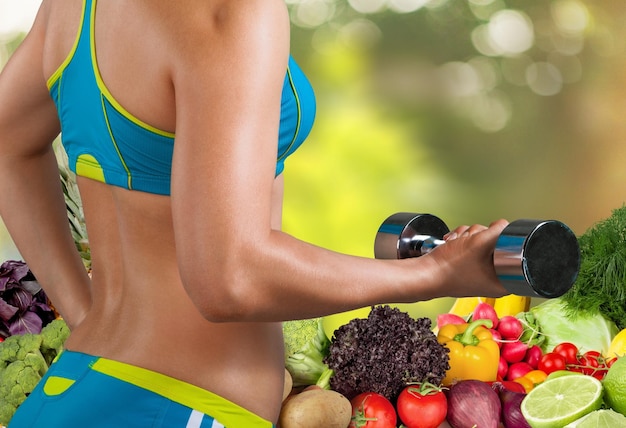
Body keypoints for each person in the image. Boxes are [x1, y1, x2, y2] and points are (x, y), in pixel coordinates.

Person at [0, 0, 509, 426]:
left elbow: (7, 142)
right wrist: (437, 271)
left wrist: (86, 314)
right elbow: (230, 277)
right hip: (180, 403)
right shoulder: (232, 10)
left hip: (79, 384)